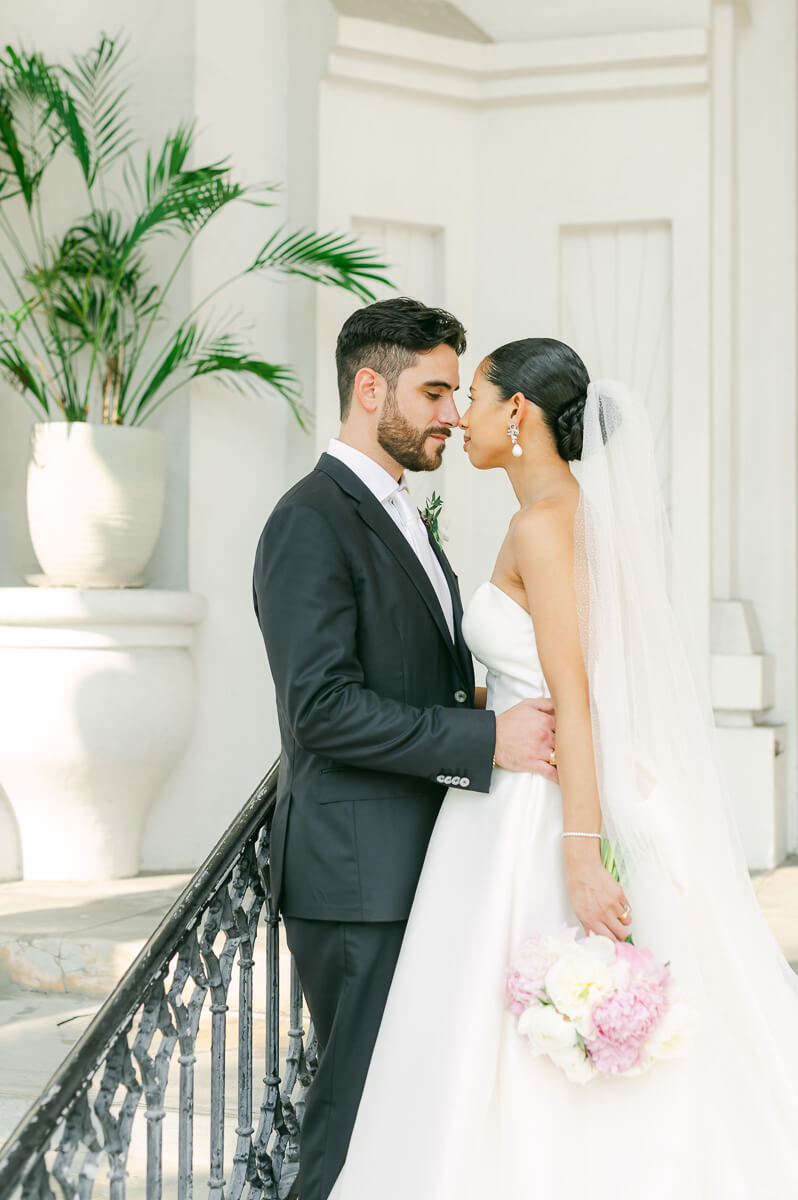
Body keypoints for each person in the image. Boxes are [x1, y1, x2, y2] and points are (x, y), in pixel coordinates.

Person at [327, 338, 798, 1199]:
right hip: (518, 782)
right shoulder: (574, 511)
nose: (460, 415)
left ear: (518, 414)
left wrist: (580, 849)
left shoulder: (542, 523)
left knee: (498, 1014)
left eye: (472, 395)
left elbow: (575, 696)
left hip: (530, 811)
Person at [252, 300, 558, 1200]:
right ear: (368, 386)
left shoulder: (402, 512)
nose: (453, 413)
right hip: (356, 878)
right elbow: (320, 709)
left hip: (418, 862)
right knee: (352, 1120)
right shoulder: (310, 519)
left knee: (407, 1119)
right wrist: (485, 738)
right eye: (433, 391)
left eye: (458, 391)